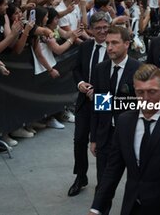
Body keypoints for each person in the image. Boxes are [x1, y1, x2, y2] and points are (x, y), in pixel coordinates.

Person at [88, 63, 160, 215]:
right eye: (140, 92)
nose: (146, 98)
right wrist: (96, 208)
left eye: (152, 92)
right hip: (133, 207)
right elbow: (112, 170)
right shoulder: (124, 122)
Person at [89, 26, 142, 215]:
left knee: (136, 185)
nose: (109, 47)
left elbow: (141, 105)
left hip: (132, 136)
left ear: (127, 44)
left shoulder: (139, 69)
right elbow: (98, 106)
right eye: (107, 43)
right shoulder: (100, 69)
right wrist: (94, 137)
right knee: (103, 185)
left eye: (114, 43)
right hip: (106, 136)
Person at [68, 12, 110, 197]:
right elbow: (76, 69)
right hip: (85, 100)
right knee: (79, 140)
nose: (102, 31)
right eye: (98, 28)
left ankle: (103, 182)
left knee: (101, 142)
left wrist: (100, 92)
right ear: (91, 30)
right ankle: (80, 176)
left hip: (104, 99)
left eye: (105, 27)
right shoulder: (85, 47)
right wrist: (80, 84)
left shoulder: (113, 47)